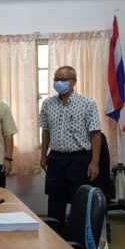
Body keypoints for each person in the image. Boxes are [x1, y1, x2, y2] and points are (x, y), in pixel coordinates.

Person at [39, 66, 101, 227]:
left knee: (79, 201)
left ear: (74, 81)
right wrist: (43, 155)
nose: (59, 82)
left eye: (63, 79)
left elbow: (95, 134)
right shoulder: (48, 104)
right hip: (56, 159)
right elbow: (46, 131)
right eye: (56, 79)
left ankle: (77, 236)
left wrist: (95, 162)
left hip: (79, 159)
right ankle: (55, 234)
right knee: (55, 200)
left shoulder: (87, 103)